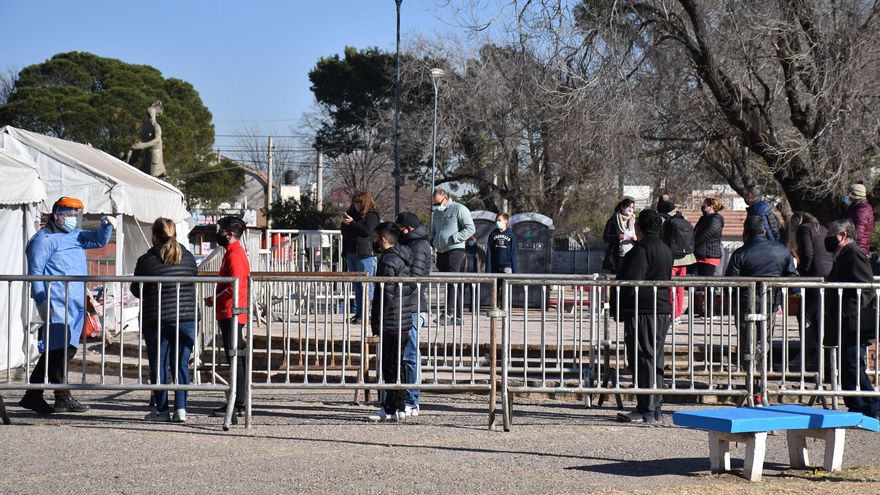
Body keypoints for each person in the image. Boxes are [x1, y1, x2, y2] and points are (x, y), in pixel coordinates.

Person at [19, 197, 115, 414]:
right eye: (69, 214)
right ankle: (61, 396)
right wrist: (41, 301)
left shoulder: (75, 234)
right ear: (56, 214)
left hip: (75, 301)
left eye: (75, 215)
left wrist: (106, 225)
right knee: (60, 350)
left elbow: (98, 241)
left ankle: (33, 395)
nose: (73, 219)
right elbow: (35, 273)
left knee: (61, 350)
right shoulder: (43, 240)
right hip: (56, 302)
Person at [131, 218, 198, 423]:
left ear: (154, 236)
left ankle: (161, 411)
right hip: (186, 317)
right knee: (181, 364)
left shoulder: (146, 260)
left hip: (157, 318)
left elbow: (136, 289)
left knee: (158, 364)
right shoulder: (188, 257)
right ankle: (181, 409)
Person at [612, 209, 673, 423]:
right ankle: (655, 405)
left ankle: (646, 407)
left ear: (640, 228)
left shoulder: (641, 250)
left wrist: (619, 308)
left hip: (644, 309)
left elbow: (632, 281)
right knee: (654, 357)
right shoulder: (665, 248)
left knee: (642, 357)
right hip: (661, 309)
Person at [823, 219, 880, 419]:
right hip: (845, 321)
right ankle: (857, 403)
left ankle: (872, 404)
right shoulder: (843, 255)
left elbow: (865, 287)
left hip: (854, 321)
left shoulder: (854, 254)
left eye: (832, 234)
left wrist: (848, 312)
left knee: (853, 363)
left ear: (843, 235)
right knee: (847, 363)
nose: (828, 238)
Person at [725, 216, 797, 368]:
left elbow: (729, 282)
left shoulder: (740, 253)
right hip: (771, 301)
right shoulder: (782, 250)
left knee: (746, 339)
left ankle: (748, 374)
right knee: (765, 337)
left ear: (746, 232)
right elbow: (791, 275)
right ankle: (762, 368)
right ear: (764, 231)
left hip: (745, 302)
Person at [368, 222, 417, 422]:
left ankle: (389, 408)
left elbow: (386, 293)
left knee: (390, 364)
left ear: (383, 239)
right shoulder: (404, 256)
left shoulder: (388, 260)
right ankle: (401, 405)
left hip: (391, 318)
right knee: (400, 362)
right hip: (403, 316)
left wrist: (377, 320)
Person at [205, 216, 250, 418]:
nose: (219, 234)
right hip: (230, 310)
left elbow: (234, 285)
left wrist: (214, 298)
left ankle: (239, 401)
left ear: (230, 234)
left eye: (222, 230)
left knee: (235, 357)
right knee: (235, 357)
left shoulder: (235, 255)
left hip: (232, 311)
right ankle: (238, 400)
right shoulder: (231, 253)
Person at [396, 212, 431, 417]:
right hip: (410, 304)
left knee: (410, 355)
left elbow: (415, 277)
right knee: (407, 354)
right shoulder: (414, 244)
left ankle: (412, 400)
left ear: (407, 228)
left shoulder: (418, 246)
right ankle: (407, 398)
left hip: (413, 305)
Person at [788, 212, 833, 370]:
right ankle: (819, 356)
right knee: (819, 316)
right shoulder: (823, 228)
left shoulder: (804, 229)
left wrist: (801, 272)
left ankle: (808, 354)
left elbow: (807, 254)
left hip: (815, 276)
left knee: (804, 315)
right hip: (830, 275)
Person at [430, 188, 475, 324]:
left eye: (438, 203)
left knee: (451, 281)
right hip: (441, 251)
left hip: (456, 251)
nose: (437, 206)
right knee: (453, 283)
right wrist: (432, 240)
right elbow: (434, 229)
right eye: (434, 204)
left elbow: (470, 228)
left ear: (446, 198)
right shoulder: (436, 214)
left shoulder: (459, 209)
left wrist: (455, 237)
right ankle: (459, 317)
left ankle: (448, 314)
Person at [340, 191, 381, 324]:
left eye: (359, 203)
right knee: (357, 285)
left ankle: (367, 314)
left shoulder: (372, 215)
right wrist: (345, 224)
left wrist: (352, 224)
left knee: (367, 285)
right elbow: (344, 231)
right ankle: (359, 313)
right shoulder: (351, 213)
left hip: (365, 254)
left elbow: (368, 232)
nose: (356, 206)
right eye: (355, 203)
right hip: (351, 252)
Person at [657, 197, 695, 320]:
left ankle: (672, 313)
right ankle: (677, 314)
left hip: (670, 258)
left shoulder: (662, 219)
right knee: (680, 287)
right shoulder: (683, 218)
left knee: (670, 287)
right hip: (685, 257)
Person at [602, 198, 637, 273]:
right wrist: (618, 237)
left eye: (632, 207)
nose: (630, 209)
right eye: (628, 207)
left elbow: (641, 236)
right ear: (622, 207)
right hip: (618, 255)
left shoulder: (635, 221)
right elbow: (606, 237)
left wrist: (636, 238)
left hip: (632, 254)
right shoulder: (613, 220)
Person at [843, 183, 874, 255]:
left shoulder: (862, 211)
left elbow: (858, 235)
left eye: (849, 193)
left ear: (855, 195)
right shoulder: (856, 207)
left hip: (856, 251)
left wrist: (848, 250)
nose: (847, 196)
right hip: (853, 249)